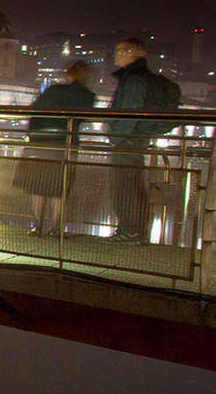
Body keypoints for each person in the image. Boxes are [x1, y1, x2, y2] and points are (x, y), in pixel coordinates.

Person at [11, 62, 93, 236]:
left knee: (38, 187)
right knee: (59, 189)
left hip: (41, 143)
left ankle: (37, 226)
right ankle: (55, 228)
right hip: (66, 145)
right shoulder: (88, 96)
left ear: (69, 74)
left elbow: (36, 112)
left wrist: (33, 136)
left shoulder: (54, 90)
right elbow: (83, 118)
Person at [106, 38, 169, 244]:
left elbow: (130, 111)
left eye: (119, 50)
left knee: (124, 188)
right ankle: (137, 232)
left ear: (130, 52)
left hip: (127, 142)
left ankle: (129, 231)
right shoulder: (141, 77)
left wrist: (117, 138)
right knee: (133, 187)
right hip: (135, 140)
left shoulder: (133, 79)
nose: (115, 54)